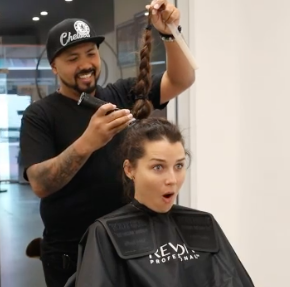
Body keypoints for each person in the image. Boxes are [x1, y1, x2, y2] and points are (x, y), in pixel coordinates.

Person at [19, 0, 195, 286]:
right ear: (54, 67)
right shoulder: (40, 115)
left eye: (90, 53)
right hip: (70, 253)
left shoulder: (123, 94)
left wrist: (169, 33)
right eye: (72, 58)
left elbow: (182, 79)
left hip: (130, 243)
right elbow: (40, 183)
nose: (85, 64)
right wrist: (88, 142)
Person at [63, 116, 254, 286]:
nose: (172, 179)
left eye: (179, 165)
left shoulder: (203, 224)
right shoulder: (106, 233)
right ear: (130, 170)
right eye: (158, 167)